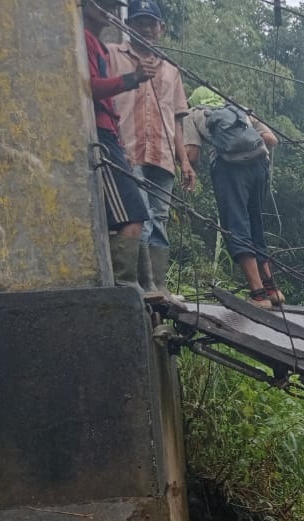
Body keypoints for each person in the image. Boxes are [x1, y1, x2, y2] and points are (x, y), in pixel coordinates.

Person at [108, 0, 192, 303]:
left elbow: (177, 118)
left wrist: (185, 161)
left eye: (151, 22)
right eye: (139, 21)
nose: (146, 27)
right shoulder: (113, 55)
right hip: (127, 150)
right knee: (137, 216)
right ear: (128, 25)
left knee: (159, 218)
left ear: (161, 28)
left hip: (164, 155)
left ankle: (158, 286)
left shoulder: (171, 70)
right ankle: (139, 287)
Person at [182, 87, 283, 308]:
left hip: (229, 169)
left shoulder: (193, 113)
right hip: (259, 166)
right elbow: (271, 139)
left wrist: (180, 157)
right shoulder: (237, 108)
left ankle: (258, 295)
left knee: (236, 226)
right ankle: (272, 290)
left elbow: (192, 155)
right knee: (255, 223)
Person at [82, 0, 156, 289]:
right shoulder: (84, 42)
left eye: (113, 6)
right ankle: (125, 290)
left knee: (137, 215)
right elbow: (89, 87)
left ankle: (142, 287)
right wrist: (133, 78)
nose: (110, 11)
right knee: (133, 216)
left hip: (111, 135)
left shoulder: (98, 45)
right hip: (100, 135)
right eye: (104, 4)